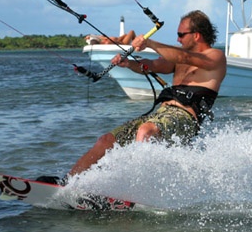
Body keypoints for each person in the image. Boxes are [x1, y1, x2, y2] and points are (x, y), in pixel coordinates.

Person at [67, 10, 226, 177]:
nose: (178, 39)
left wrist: (151, 43)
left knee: (146, 131)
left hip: (185, 118)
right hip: (161, 114)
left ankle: (132, 189)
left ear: (196, 36)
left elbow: (185, 57)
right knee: (106, 141)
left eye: (181, 34)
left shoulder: (215, 56)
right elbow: (152, 65)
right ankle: (68, 183)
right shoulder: (178, 58)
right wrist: (128, 63)